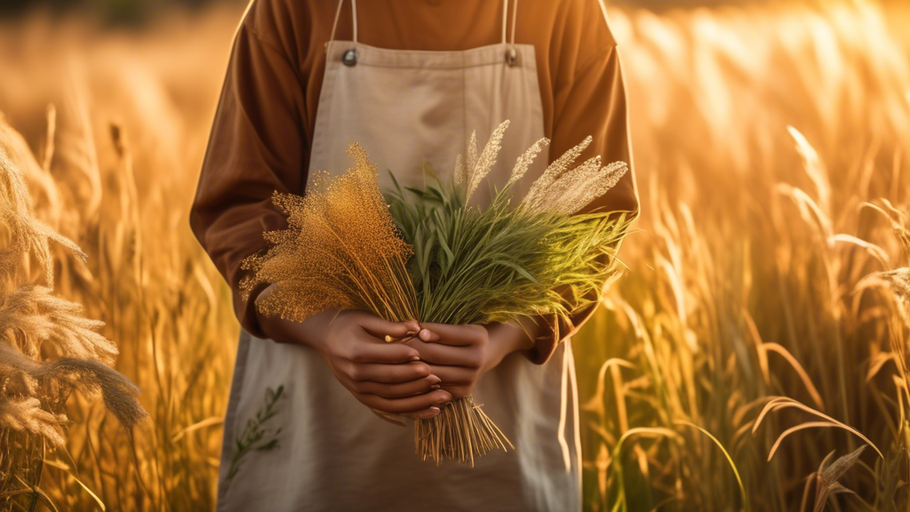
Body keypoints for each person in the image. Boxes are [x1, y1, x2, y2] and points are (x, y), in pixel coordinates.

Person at [189, 0, 639, 510]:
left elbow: (596, 221)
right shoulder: (291, 10)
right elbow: (238, 207)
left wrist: (503, 337)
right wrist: (325, 327)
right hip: (316, 445)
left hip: (499, 450)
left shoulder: (563, 12)